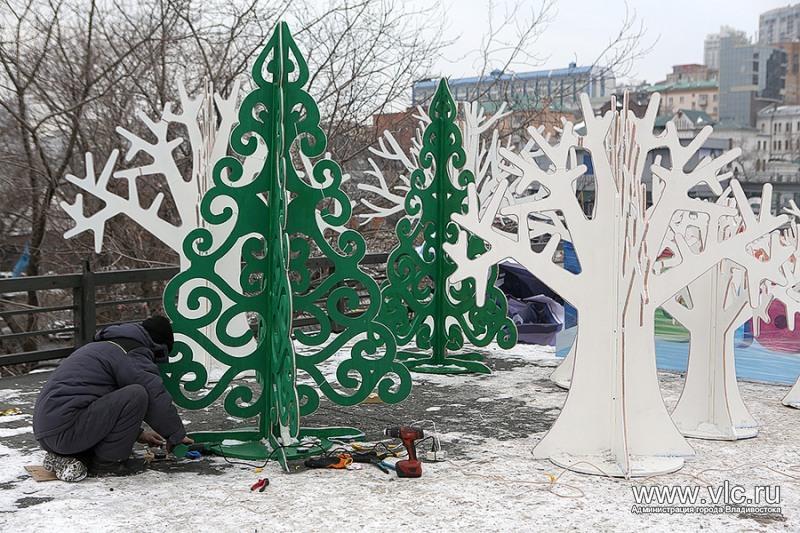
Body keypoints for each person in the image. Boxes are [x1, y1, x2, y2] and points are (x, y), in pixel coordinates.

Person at [33, 315, 193, 481]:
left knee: (131, 394)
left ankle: (73, 458)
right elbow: (154, 395)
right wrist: (176, 435)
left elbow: (99, 402)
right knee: (137, 394)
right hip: (67, 431)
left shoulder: (106, 346)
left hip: (48, 433)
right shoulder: (131, 352)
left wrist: (138, 434)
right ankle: (108, 463)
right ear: (159, 347)